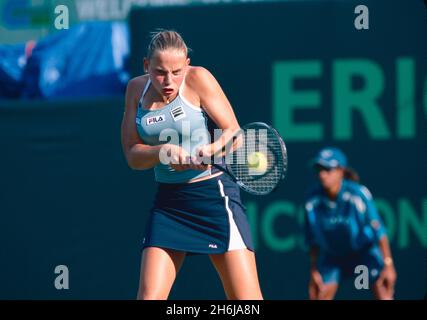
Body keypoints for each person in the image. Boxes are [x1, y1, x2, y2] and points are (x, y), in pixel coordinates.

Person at [120, 30, 263, 300]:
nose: (169, 80)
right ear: (146, 66)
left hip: (214, 198)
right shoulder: (135, 90)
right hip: (169, 204)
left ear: (187, 64)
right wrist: (163, 152)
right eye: (160, 72)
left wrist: (208, 150)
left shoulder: (199, 79)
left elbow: (233, 132)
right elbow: (132, 155)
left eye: (176, 71)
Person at [304, 147, 397, 300]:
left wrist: (388, 264)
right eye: (319, 169)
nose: (322, 174)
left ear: (341, 171)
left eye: (328, 169)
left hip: (362, 255)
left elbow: (378, 230)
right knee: (319, 295)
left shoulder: (358, 194)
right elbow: (312, 240)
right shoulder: (311, 199)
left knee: (383, 291)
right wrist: (313, 270)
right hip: (332, 257)